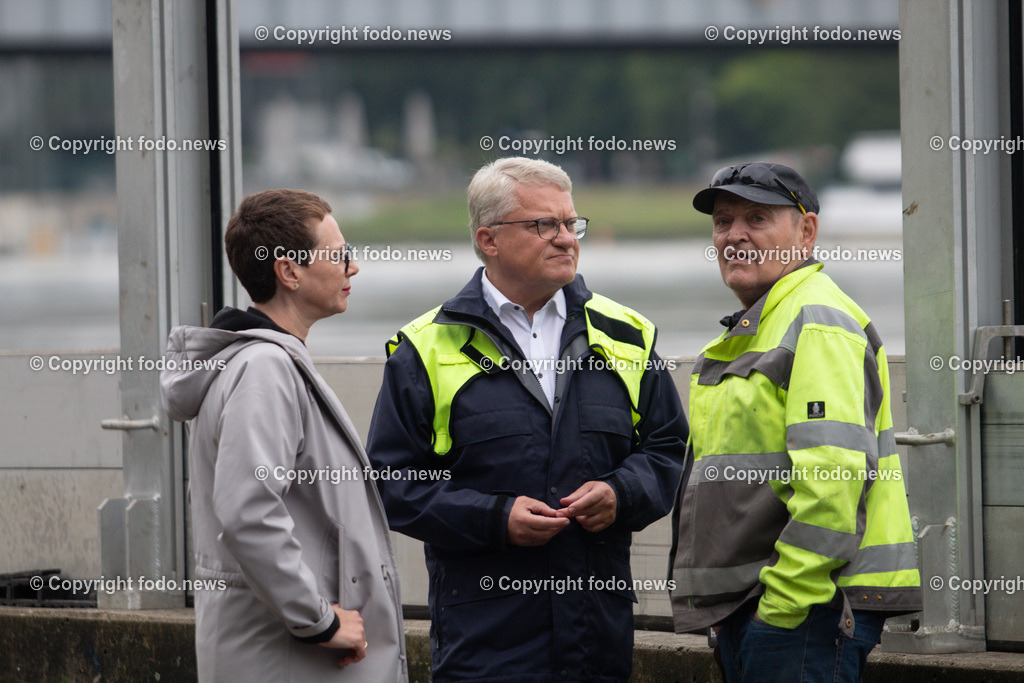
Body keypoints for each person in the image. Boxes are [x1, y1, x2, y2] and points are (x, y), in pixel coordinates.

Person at [366, 156, 689, 681]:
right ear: (489, 239)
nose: (566, 238)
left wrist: (622, 494)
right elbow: (392, 485)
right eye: (544, 225)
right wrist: (495, 519)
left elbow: (668, 450)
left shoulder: (627, 333)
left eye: (571, 223)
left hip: (596, 645)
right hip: (485, 646)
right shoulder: (424, 348)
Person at [668, 163, 922, 682]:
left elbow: (832, 480)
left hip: (802, 612)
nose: (735, 235)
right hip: (760, 609)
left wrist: (783, 606)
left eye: (757, 218)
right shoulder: (765, 323)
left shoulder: (816, 320)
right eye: (723, 221)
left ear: (806, 232)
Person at [160, 189, 407, 682]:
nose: (351, 268)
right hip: (291, 661)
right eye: (338, 256)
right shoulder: (265, 368)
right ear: (289, 272)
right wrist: (320, 621)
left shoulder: (261, 363)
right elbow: (247, 510)